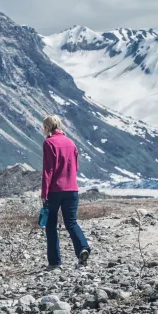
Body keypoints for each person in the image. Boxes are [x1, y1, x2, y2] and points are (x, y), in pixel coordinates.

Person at [41, 115, 91, 269]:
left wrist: (44, 192)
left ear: (48, 127)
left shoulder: (48, 143)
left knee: (51, 224)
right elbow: (75, 167)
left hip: (55, 190)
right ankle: (82, 247)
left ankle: (55, 262)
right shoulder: (71, 142)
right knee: (71, 222)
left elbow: (48, 170)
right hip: (72, 189)